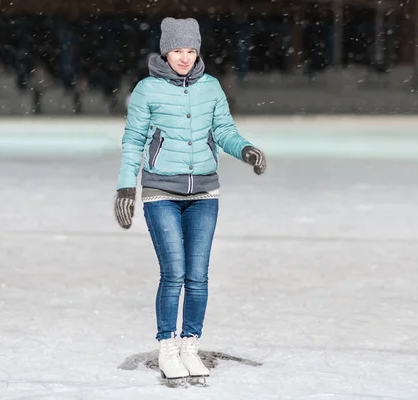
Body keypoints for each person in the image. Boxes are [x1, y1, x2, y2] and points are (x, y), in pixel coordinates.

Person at [113, 17, 267, 385]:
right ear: (166, 51)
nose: (185, 57)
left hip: (204, 194)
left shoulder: (211, 87)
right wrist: (125, 188)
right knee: (174, 274)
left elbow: (224, 130)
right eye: (178, 50)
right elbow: (133, 141)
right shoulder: (147, 90)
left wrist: (244, 149)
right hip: (160, 192)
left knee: (198, 277)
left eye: (191, 50)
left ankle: (189, 345)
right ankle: (167, 345)